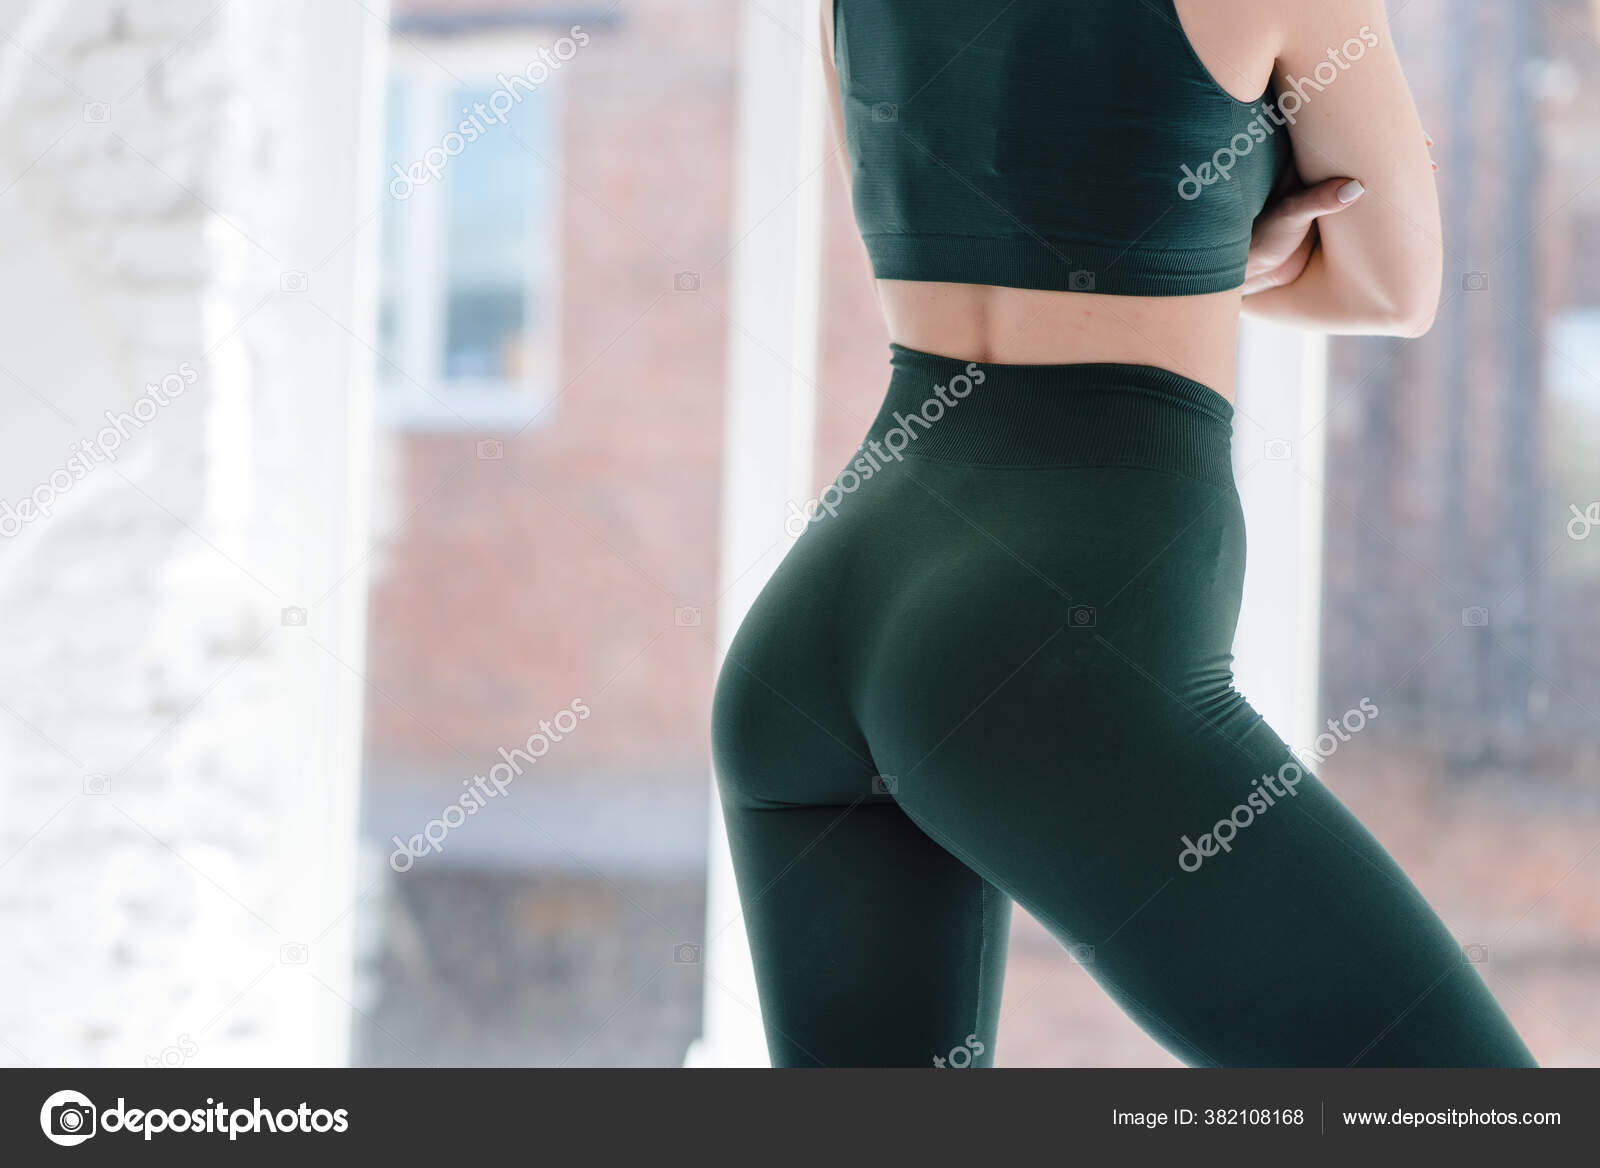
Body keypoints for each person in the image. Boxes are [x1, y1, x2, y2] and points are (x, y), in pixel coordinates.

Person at [710, 0, 1535, 1068]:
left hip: (822, 620)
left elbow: (968, 223)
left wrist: (1180, 236)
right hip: (1046, 633)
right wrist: (1226, 252)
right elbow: (1393, 282)